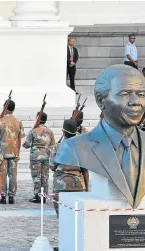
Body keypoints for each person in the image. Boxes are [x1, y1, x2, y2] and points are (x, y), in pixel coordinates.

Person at [54, 64, 145, 209]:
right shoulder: (74, 148)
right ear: (101, 100)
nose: (136, 102)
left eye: (141, 94)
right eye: (124, 94)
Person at [50, 119, 86, 216]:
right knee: (77, 216)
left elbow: (52, 166)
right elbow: (85, 170)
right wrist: (85, 188)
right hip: (78, 185)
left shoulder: (58, 147)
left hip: (61, 184)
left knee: (62, 216)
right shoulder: (82, 147)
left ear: (63, 132)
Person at [0, 100, 25, 204]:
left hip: (2, 152)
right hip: (14, 152)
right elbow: (20, 138)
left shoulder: (0, 121)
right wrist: (18, 152)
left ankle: (2, 195)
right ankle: (11, 196)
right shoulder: (18, 122)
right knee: (13, 175)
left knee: (2, 174)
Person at [23, 112, 55, 204]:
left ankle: (37, 195)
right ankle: (44, 194)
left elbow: (27, 144)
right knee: (45, 176)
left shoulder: (34, 131)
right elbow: (52, 146)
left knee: (36, 176)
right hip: (46, 155)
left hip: (35, 156)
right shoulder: (50, 131)